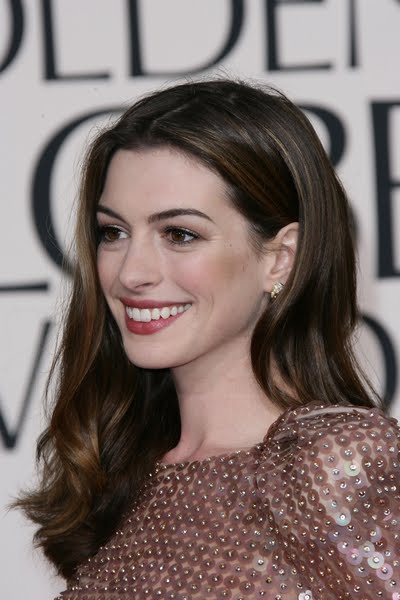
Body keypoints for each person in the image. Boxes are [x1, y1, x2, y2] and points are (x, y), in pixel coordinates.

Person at [17, 79, 399, 599]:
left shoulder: (334, 463)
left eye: (179, 234)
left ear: (281, 258)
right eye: (113, 232)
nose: (131, 273)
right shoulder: (119, 482)